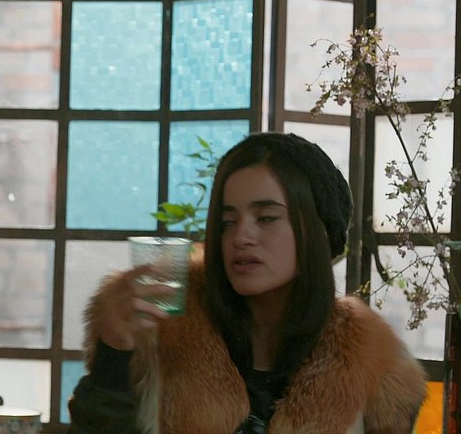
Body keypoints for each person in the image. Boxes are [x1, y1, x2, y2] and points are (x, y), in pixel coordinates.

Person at [68, 132, 427, 433]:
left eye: (266, 218)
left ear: (317, 232)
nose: (241, 237)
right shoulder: (159, 333)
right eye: (227, 222)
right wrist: (114, 352)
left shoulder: (375, 366)